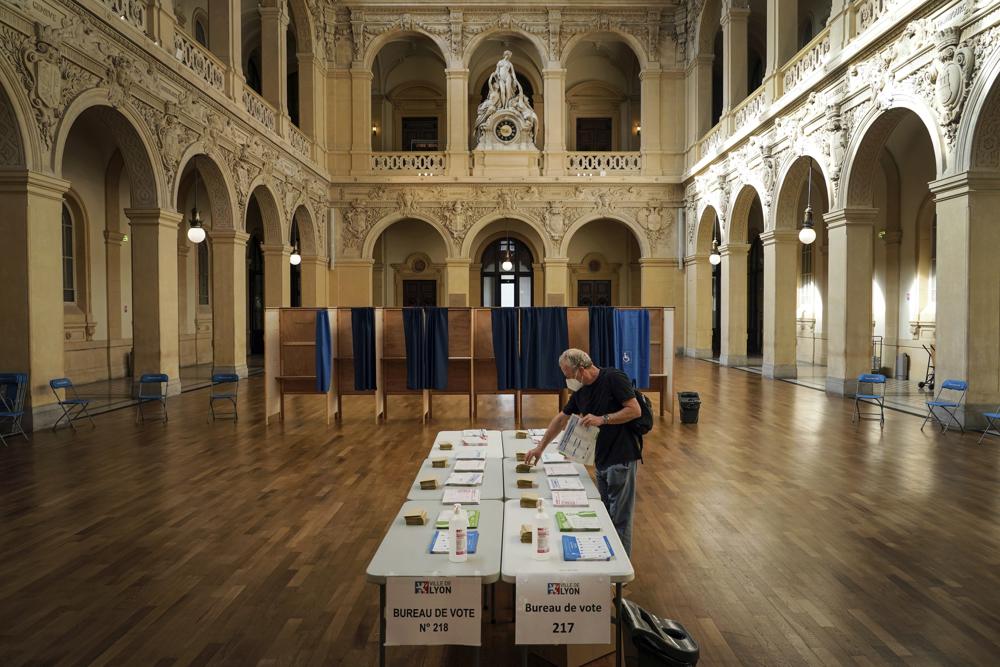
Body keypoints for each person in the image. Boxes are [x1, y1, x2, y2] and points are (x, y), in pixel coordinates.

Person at [525, 349, 642, 556]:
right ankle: (607, 560)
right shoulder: (581, 392)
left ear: (580, 369)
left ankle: (619, 575)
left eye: (567, 373)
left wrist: (603, 419)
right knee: (606, 515)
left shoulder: (613, 377)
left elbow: (634, 410)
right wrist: (540, 448)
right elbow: (561, 418)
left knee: (621, 519)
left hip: (622, 458)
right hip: (601, 460)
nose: (567, 379)